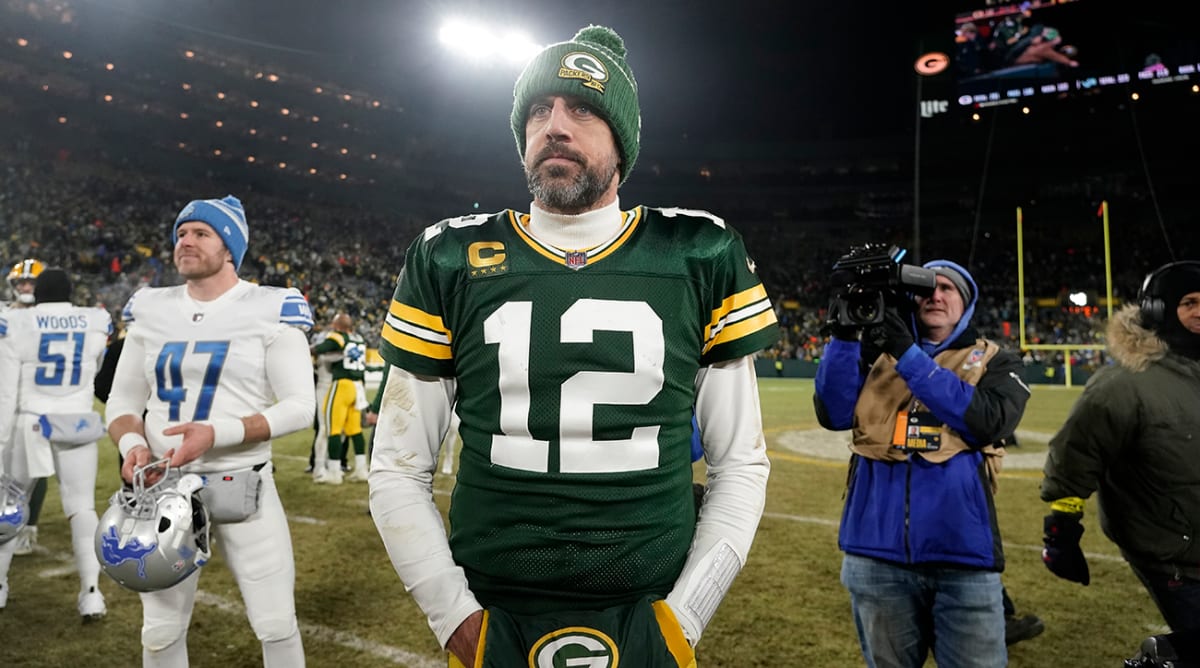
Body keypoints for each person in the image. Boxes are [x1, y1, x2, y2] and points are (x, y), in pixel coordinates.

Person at [368, 24, 778, 667]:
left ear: (624, 140)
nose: (554, 125)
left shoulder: (698, 251)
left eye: (582, 108)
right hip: (491, 604)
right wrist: (454, 619)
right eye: (538, 109)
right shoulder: (448, 255)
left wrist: (686, 618)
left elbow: (740, 464)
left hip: (652, 601)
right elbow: (397, 466)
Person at [104, 195, 316, 666]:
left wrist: (216, 432)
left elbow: (302, 407)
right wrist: (133, 443)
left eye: (201, 233)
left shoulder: (270, 306)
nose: (186, 241)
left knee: (276, 623)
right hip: (162, 488)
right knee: (159, 631)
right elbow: (121, 401)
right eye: (181, 233)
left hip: (241, 481)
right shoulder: (151, 308)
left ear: (230, 248)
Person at [813, 259, 1032, 668]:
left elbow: (987, 421)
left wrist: (908, 355)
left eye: (948, 288)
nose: (936, 295)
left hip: (962, 556)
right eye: (927, 287)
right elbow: (834, 413)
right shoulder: (874, 354)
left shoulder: (996, 360)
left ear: (965, 304)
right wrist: (844, 336)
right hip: (874, 554)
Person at [1041, 261, 1200, 633]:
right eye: (1189, 302)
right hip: (1176, 559)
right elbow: (1076, 454)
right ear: (1158, 310)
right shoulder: (1124, 384)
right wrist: (1062, 527)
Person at [0, 268, 112, 619]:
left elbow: (6, 390)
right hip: (77, 421)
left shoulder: (17, 323)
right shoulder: (94, 320)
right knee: (81, 508)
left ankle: (0, 586)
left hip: (29, 420)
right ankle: (92, 594)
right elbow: (94, 371)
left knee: (10, 504)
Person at [3, 258, 49, 557]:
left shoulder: (49, 318)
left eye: (31, 282)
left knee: (36, 466)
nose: (25, 287)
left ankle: (28, 525)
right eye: (21, 283)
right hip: (7, 396)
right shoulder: (6, 315)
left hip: (38, 400)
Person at [311, 312, 370, 484]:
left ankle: (334, 473)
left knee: (333, 429)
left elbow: (319, 349)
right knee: (355, 430)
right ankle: (361, 470)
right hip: (357, 386)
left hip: (341, 385)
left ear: (337, 326)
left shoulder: (338, 337)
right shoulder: (359, 340)